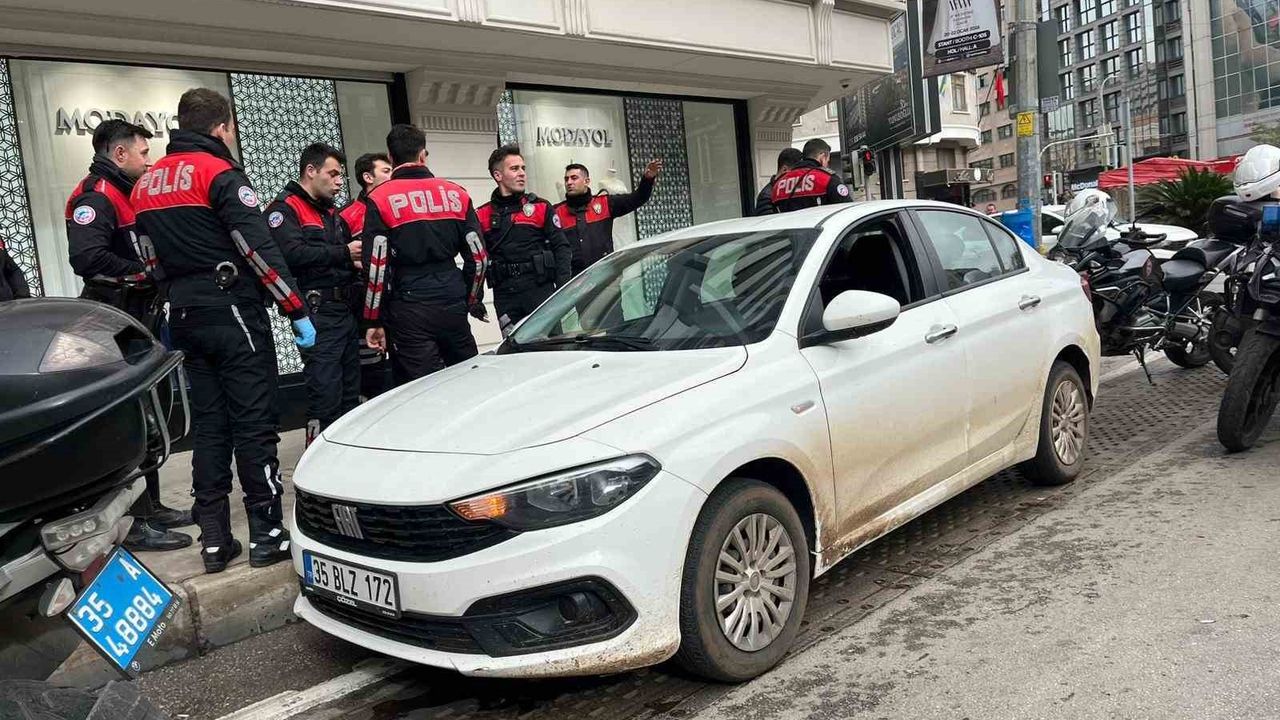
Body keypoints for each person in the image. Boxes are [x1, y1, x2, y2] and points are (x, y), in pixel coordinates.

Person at [132, 88, 314, 574]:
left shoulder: (145, 184)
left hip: (182, 316)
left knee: (210, 426)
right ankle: (267, 535)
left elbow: (148, 259)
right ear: (221, 127)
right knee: (254, 423)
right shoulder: (219, 173)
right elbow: (256, 249)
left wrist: (175, 293)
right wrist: (295, 309)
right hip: (232, 311)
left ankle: (214, 541)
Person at [66, 119, 193, 552]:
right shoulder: (96, 197)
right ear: (119, 154)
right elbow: (87, 258)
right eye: (143, 152)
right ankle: (133, 522)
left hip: (140, 320)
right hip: (114, 323)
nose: (149, 160)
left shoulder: (127, 192)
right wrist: (143, 273)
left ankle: (151, 507)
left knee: (149, 418)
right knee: (127, 423)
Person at [361, 124, 488, 386]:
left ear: (391, 157)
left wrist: (373, 318)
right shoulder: (456, 193)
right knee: (468, 380)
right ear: (422, 154)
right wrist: (471, 298)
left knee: (423, 388)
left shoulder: (379, 198)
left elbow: (376, 266)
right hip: (452, 300)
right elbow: (479, 258)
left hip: (409, 305)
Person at [267, 143, 361, 447]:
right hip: (316, 313)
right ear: (311, 171)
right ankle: (317, 460)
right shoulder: (285, 209)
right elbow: (290, 255)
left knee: (350, 397)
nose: (339, 182)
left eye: (341, 176)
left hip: (344, 310)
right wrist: (343, 253)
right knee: (325, 398)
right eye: (332, 174)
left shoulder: (331, 212)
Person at [478, 145, 571, 330]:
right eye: (514, 169)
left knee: (550, 345)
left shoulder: (541, 207)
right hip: (506, 296)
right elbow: (477, 260)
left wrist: (563, 290)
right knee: (513, 345)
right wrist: (475, 299)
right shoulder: (482, 214)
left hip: (540, 292)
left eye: (523, 168)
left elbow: (562, 248)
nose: (522, 173)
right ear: (498, 175)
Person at [340, 152, 392, 400]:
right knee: (371, 374)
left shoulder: (395, 206)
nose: (392, 176)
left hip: (400, 300)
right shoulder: (347, 215)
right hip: (364, 303)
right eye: (386, 171)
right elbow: (341, 258)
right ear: (368, 177)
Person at [554, 159, 661, 275]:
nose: (569, 182)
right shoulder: (556, 212)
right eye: (566, 179)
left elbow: (638, 198)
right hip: (574, 279)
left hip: (605, 276)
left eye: (574, 178)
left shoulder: (605, 203)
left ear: (586, 181)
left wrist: (647, 179)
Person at [767, 138, 853, 213]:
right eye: (827, 161)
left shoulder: (778, 185)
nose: (827, 164)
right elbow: (848, 210)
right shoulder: (827, 179)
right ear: (822, 157)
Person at [754, 148, 804, 215]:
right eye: (795, 172)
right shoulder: (767, 196)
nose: (798, 176)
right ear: (784, 170)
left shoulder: (791, 189)